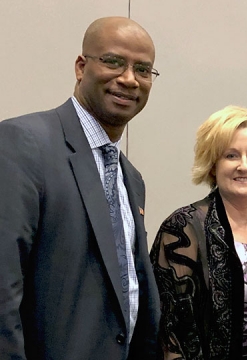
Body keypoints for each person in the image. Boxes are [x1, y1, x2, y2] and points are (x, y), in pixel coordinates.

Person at [0, 17, 160, 359]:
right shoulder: (23, 144)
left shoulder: (131, 177)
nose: (129, 79)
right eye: (113, 61)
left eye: (143, 69)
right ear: (80, 67)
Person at [151, 105, 247, 360]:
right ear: (213, 166)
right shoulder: (183, 228)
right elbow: (168, 329)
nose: (244, 165)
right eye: (231, 155)